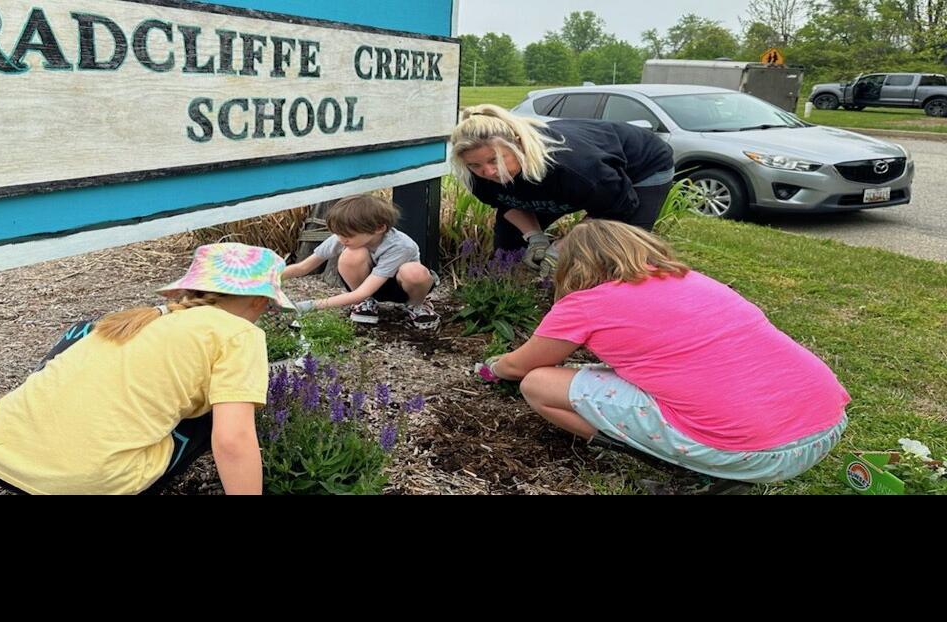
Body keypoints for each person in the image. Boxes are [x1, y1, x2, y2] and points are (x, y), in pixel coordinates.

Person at [478, 220, 850, 485]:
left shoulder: (585, 303)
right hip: (827, 428)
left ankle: (650, 456)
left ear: (575, 265)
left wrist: (491, 367)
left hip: (750, 454)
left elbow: (521, 365)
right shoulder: (692, 279)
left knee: (539, 384)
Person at [0, 243, 294, 495]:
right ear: (260, 302)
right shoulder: (240, 334)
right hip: (82, 484)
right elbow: (232, 439)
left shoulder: (145, 317)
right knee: (218, 409)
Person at [451, 103, 675, 276]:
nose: (489, 172)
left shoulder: (575, 168)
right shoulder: (478, 174)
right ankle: (515, 293)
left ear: (517, 145)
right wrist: (536, 238)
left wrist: (562, 246)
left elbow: (619, 208)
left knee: (621, 248)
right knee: (509, 241)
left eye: (496, 159)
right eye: (475, 165)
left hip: (642, 165)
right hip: (566, 180)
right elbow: (507, 203)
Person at [284, 194, 440, 329]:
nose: (341, 239)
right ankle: (366, 304)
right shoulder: (344, 237)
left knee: (414, 272)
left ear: (379, 228)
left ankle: (417, 304)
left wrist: (308, 306)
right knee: (352, 254)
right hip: (367, 284)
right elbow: (303, 267)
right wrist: (267, 277)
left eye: (348, 235)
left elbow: (362, 292)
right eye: (338, 234)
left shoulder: (400, 246)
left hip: (402, 288)